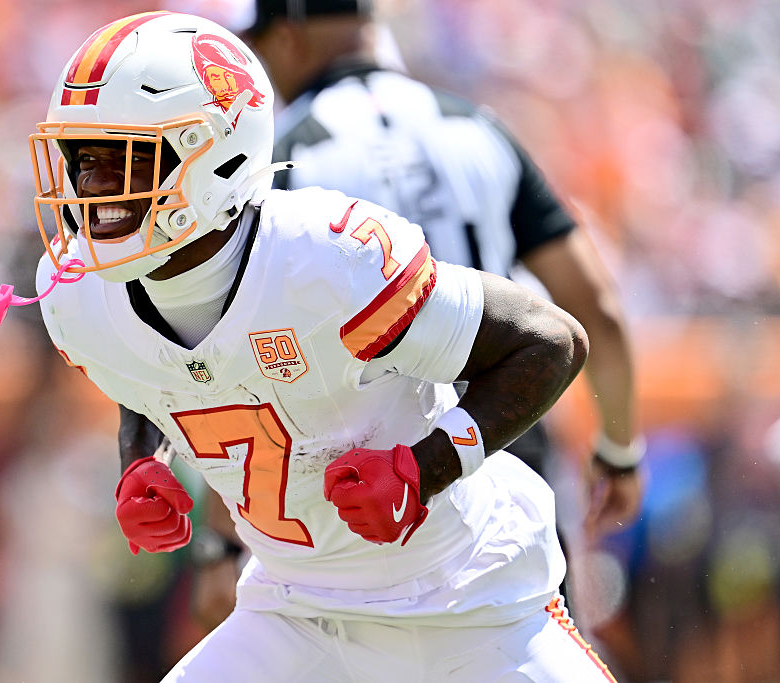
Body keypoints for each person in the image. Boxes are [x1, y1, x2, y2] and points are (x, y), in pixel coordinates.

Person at [0, 10, 616, 680]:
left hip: (472, 602)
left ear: (215, 152)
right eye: (83, 159)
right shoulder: (78, 292)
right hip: (299, 611)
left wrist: (426, 468)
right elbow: (145, 369)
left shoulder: (324, 259)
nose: (94, 188)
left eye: (125, 158)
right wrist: (142, 460)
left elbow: (551, 340)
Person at [182, 0, 646, 605]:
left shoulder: (284, 157)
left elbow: (239, 362)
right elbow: (596, 308)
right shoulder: (479, 128)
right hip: (501, 443)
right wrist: (618, 451)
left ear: (288, 36)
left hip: (365, 484)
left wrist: (221, 546)